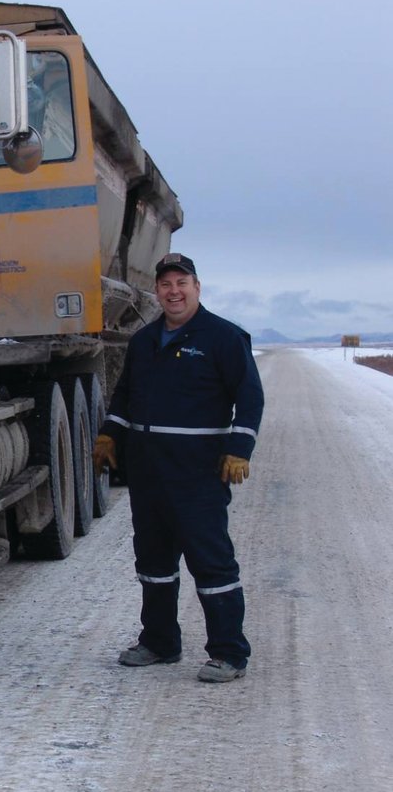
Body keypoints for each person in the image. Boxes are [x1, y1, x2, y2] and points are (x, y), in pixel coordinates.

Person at [93, 253, 264, 683]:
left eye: (181, 282)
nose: (173, 291)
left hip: (197, 473)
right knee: (153, 562)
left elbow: (250, 396)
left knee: (211, 563)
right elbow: (125, 395)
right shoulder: (144, 341)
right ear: (156, 292)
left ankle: (228, 653)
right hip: (148, 473)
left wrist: (239, 446)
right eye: (166, 284)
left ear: (197, 287)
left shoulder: (223, 337)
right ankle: (160, 642)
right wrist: (111, 433)